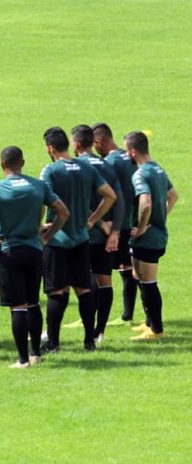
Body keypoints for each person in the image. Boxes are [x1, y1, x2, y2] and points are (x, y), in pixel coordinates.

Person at [0, 146, 70, 368]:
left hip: (10, 250)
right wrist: (47, 237)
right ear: (23, 163)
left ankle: (22, 360)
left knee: (17, 307)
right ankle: (36, 353)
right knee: (34, 303)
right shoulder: (38, 186)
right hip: (35, 250)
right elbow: (64, 212)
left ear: (2, 165)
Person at [39, 127, 116, 352]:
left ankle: (53, 343)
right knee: (83, 289)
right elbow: (110, 196)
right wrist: (92, 220)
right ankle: (89, 341)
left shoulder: (51, 171)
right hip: (81, 239)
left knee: (57, 291)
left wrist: (43, 229)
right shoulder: (86, 168)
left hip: (57, 240)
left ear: (51, 148)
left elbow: (41, 200)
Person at [71, 125, 123, 343]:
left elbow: (76, 201)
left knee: (82, 282)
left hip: (83, 234)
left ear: (76, 143)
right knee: (105, 281)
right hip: (106, 236)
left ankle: (87, 329)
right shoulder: (106, 164)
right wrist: (115, 232)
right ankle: (99, 331)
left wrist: (98, 222)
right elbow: (118, 200)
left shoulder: (73, 167)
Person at [125, 131, 178, 340]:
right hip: (154, 234)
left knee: (148, 282)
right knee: (138, 275)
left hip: (148, 238)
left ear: (133, 151)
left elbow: (145, 203)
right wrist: (160, 217)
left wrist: (141, 226)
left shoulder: (140, 174)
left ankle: (157, 330)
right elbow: (173, 196)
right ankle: (148, 323)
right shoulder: (157, 168)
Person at [92, 122, 140, 326]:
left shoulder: (108, 163)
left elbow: (110, 196)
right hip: (134, 221)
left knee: (98, 272)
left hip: (115, 224)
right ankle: (127, 315)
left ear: (99, 141)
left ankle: (93, 316)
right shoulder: (131, 157)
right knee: (129, 268)